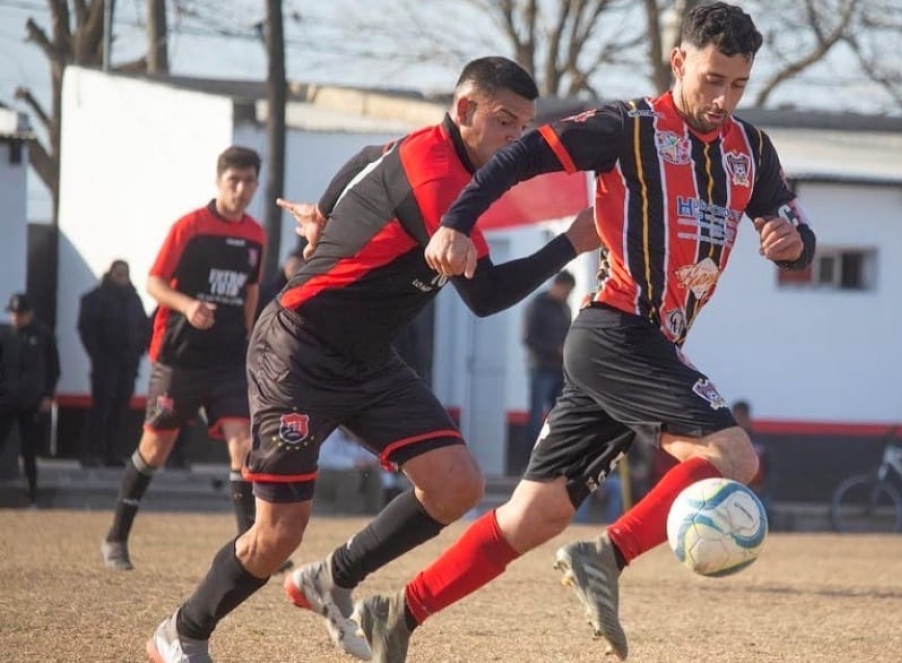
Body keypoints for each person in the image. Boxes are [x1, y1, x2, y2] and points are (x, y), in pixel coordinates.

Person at [355, 4, 817, 661]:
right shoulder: (626, 126)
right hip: (614, 330)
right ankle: (606, 553)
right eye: (712, 79)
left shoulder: (752, 151)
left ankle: (397, 610)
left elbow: (798, 234)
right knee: (735, 458)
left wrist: (792, 242)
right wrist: (457, 220)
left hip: (643, 346)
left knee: (532, 515)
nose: (723, 98)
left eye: (738, 84)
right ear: (678, 62)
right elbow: (519, 156)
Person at [143, 56, 599, 662]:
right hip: (297, 351)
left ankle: (331, 578)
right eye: (505, 122)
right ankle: (183, 631)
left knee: (457, 484)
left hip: (366, 359)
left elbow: (364, 157)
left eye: (525, 126)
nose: (517, 139)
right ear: (464, 111)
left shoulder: (440, 156)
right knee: (277, 535)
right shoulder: (438, 180)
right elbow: (486, 296)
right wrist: (572, 240)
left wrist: (323, 211)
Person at [100, 146, 267, 572]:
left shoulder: (256, 234)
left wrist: (250, 340)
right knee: (155, 447)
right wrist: (188, 305)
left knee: (244, 445)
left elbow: (249, 290)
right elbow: (154, 282)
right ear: (218, 181)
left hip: (228, 358)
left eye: (249, 181)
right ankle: (116, 537)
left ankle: (251, 548)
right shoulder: (190, 227)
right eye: (234, 181)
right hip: (180, 357)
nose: (241, 189)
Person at [77, 260, 150, 468]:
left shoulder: (134, 299)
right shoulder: (97, 298)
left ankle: (111, 453)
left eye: (125, 273)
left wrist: (138, 352)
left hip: (128, 364)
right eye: (118, 273)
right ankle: (90, 452)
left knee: (120, 409)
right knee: (101, 408)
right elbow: (87, 329)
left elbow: (144, 327)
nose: (122, 277)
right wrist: (98, 356)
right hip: (105, 364)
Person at [0, 294, 60, 507]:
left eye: (21, 314)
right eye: (14, 314)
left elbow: (54, 368)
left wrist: (47, 395)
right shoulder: (4, 334)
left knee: (29, 450)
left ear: (30, 314)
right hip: (5, 399)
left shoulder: (43, 335)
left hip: (31, 401)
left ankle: (32, 492)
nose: (17, 318)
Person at [522, 269, 575, 447]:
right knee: (536, 418)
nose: (567, 296)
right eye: (566, 291)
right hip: (540, 368)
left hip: (559, 370)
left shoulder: (565, 308)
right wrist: (554, 350)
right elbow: (528, 338)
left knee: (558, 418)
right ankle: (528, 461)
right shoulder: (537, 305)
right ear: (558, 285)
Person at [314, 427, 382, 516]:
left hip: (353, 473)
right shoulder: (331, 434)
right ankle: (344, 515)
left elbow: (371, 457)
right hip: (324, 476)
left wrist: (373, 462)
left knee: (373, 473)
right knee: (351, 475)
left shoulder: (362, 435)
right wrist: (354, 463)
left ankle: (373, 516)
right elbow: (324, 459)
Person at [257, 251, 304, 319]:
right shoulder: (268, 291)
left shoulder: (309, 293)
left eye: (299, 267)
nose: (296, 271)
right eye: (293, 267)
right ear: (285, 265)